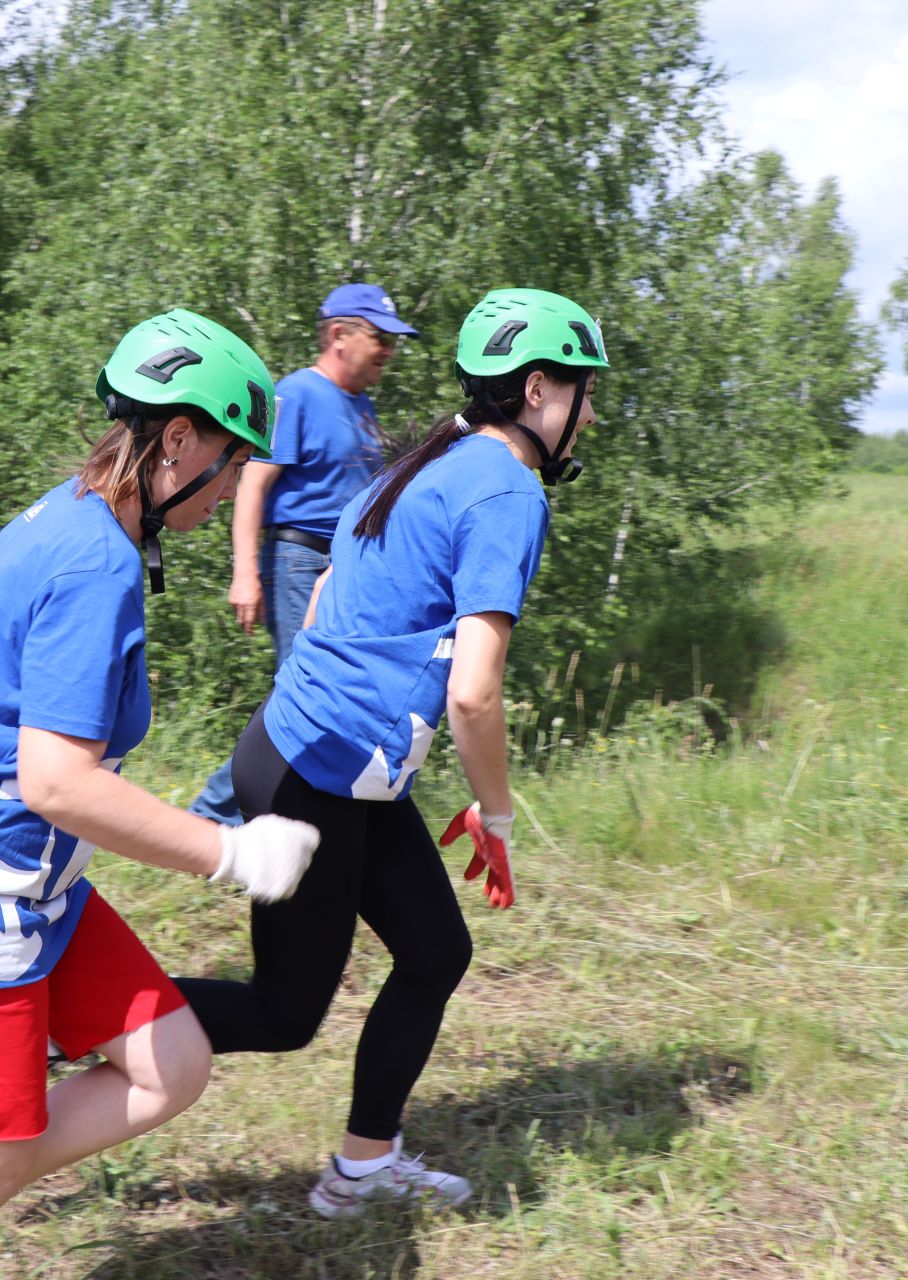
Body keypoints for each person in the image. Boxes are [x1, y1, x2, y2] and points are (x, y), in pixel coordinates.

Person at [0, 309, 320, 1280]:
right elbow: (57, 781)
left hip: (27, 887)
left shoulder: (58, 512)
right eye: (229, 462)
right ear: (176, 439)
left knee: (171, 1061)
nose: (230, 487)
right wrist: (228, 851)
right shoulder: (96, 561)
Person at [176, 288, 609, 1217]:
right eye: (583, 389)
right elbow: (475, 691)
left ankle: (364, 1169)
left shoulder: (433, 454)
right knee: (285, 1013)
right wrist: (494, 815)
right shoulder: (504, 490)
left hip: (327, 764)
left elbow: (333, 583)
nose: (592, 413)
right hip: (315, 776)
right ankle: (46, 1020)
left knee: (434, 950)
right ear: (538, 388)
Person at [189, 283, 417, 825]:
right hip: (298, 561)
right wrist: (245, 573)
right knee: (305, 696)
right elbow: (252, 484)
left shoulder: (362, 406)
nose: (389, 350)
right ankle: (215, 818)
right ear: (339, 335)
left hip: (340, 571)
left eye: (393, 340)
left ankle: (249, 812)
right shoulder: (297, 394)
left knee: (322, 695)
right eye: (379, 337)